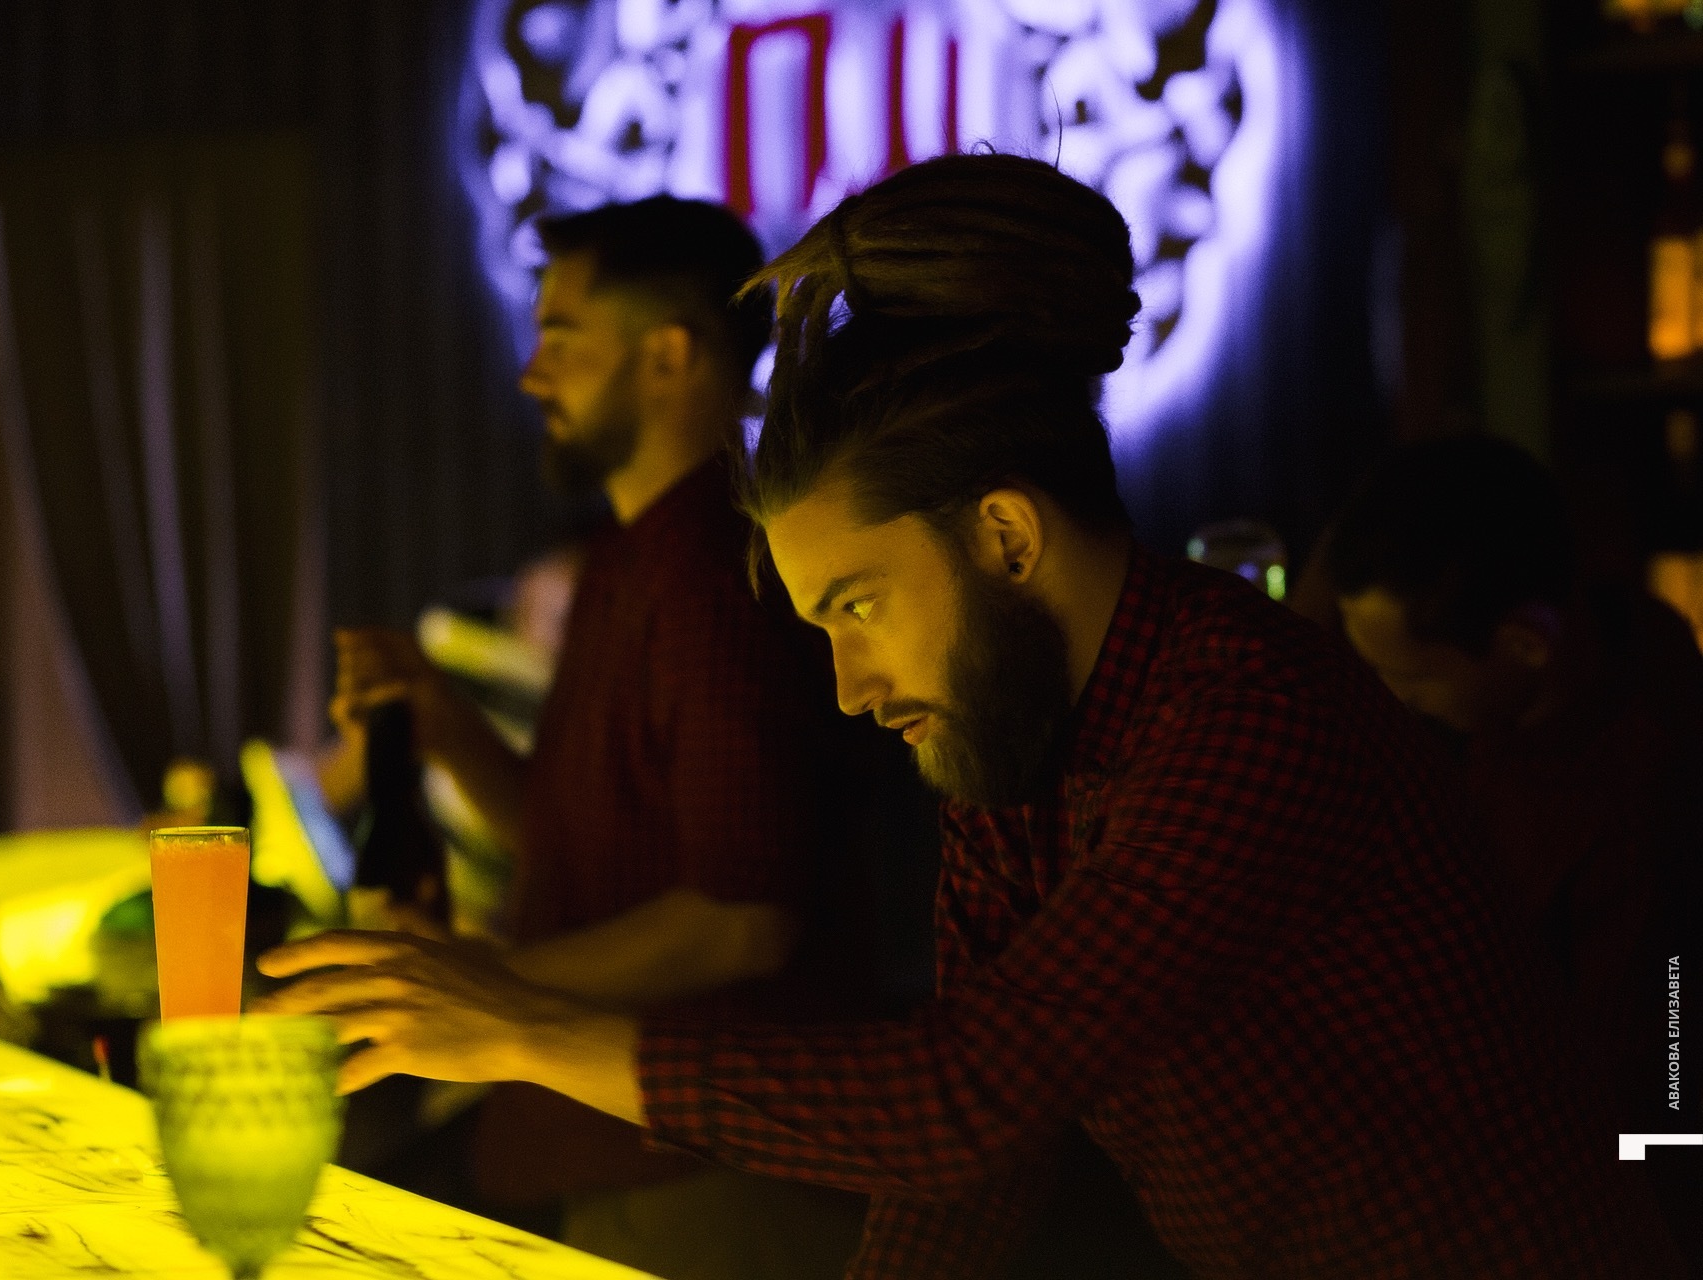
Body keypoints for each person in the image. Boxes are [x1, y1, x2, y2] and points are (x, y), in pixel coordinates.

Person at [256, 154, 1679, 1278]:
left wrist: (519, 1024)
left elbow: (957, 1097)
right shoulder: (1019, 764)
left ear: (1004, 535)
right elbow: (966, 1174)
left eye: (859, 604)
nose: (847, 684)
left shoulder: (1243, 712)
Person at [318, 196, 925, 1280]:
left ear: (669, 356)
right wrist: (443, 724)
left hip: (703, 1171)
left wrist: (486, 986)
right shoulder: (627, 554)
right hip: (601, 1141)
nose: (531, 375)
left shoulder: (717, 573)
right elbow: (593, 851)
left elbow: (741, 920)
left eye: (561, 338)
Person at [1323, 435, 1703, 1266]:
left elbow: (1657, 1096)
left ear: (1526, 643)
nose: (1393, 701)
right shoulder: (1615, 628)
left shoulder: (1634, 818)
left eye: (1414, 679)